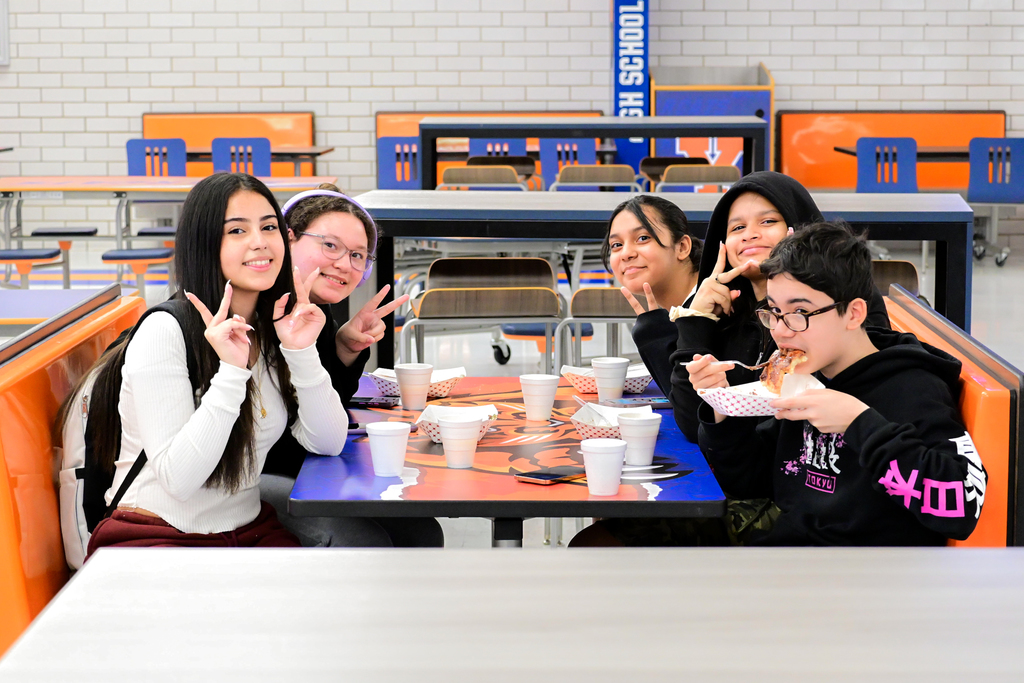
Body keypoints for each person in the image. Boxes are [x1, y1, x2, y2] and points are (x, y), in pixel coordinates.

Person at [82, 172, 348, 555]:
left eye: (269, 226)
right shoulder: (165, 331)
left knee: (411, 538)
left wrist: (301, 352)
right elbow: (179, 479)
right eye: (237, 231)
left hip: (247, 528)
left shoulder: (272, 330)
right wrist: (232, 372)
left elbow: (328, 441)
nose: (260, 243)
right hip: (157, 536)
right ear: (205, 244)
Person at [696, 221, 985, 545]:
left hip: (868, 578)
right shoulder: (809, 377)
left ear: (853, 313)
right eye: (774, 311)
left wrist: (860, 424)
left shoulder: (914, 388)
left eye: (800, 311)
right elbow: (752, 481)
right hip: (790, 561)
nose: (781, 329)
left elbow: (961, 508)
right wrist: (722, 409)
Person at [260, 183, 445, 547]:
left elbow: (323, 403)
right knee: (365, 542)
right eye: (330, 245)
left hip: (301, 464)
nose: (345, 264)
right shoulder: (260, 307)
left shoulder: (316, 310)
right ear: (287, 238)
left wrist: (343, 347)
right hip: (247, 478)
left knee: (421, 531)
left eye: (359, 255)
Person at [669, 171, 891, 444]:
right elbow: (693, 427)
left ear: (800, 229)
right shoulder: (719, 309)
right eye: (737, 228)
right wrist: (695, 320)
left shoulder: (842, 302)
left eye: (768, 221)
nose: (750, 234)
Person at [603, 195, 702, 395]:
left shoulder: (721, 304)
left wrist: (654, 339)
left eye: (643, 238)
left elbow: (694, 415)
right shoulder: (667, 315)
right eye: (616, 245)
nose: (626, 254)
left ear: (682, 247)